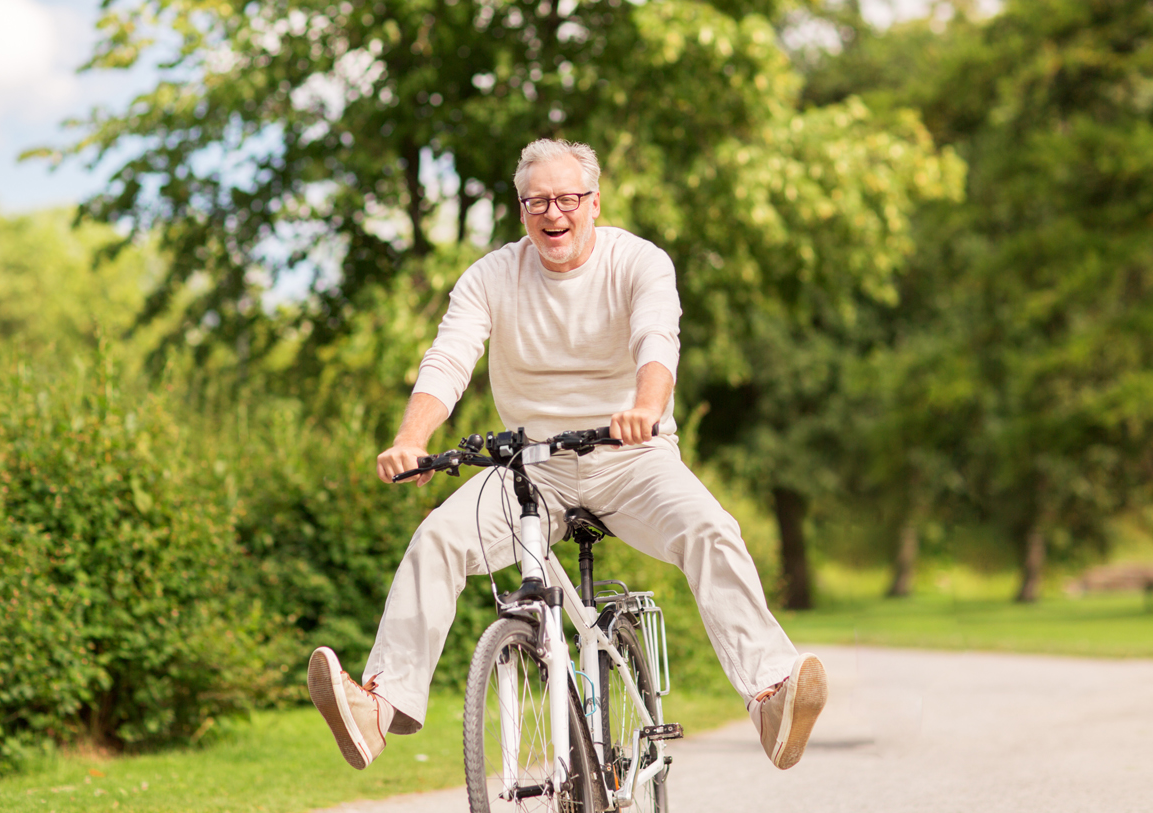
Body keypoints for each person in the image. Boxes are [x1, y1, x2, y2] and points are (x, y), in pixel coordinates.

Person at [307, 138, 826, 772]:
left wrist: (645, 407)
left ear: (594, 203)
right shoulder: (492, 275)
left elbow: (657, 340)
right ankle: (379, 708)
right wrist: (410, 439)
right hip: (532, 467)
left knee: (711, 529)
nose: (553, 214)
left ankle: (771, 695)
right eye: (537, 202)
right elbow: (448, 359)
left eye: (567, 199)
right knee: (437, 539)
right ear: (521, 209)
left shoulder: (638, 262)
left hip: (632, 457)